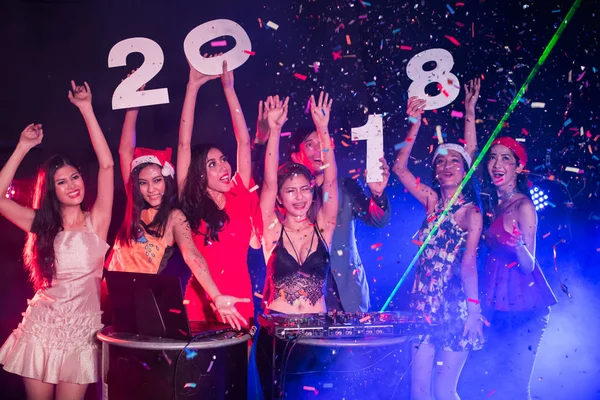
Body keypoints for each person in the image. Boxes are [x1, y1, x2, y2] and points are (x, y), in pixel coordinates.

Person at [0, 81, 113, 400]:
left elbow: (106, 164)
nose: (71, 185)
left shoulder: (97, 221)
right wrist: (22, 147)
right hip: (43, 325)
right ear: (52, 191)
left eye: (74, 177)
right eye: (61, 182)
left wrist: (86, 109)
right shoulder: (41, 224)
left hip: (81, 331)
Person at [106, 87, 249, 329]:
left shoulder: (175, 217)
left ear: (167, 180)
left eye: (157, 180)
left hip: (142, 302)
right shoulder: (135, 204)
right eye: (143, 182)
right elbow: (124, 151)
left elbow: (193, 256)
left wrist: (216, 296)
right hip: (108, 293)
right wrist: (133, 103)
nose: (151, 189)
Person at [392, 79, 484, 400]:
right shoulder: (432, 200)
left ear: (465, 170)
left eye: (454, 162)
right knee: (418, 392)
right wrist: (414, 123)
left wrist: (473, 313)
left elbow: (469, 265)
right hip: (422, 306)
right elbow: (399, 168)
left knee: (445, 392)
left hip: (455, 308)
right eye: (440, 161)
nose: (446, 166)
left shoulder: (471, 213)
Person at [253, 101, 391, 313]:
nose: (318, 150)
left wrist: (378, 194)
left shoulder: (342, 190)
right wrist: (270, 134)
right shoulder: (282, 198)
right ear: (296, 155)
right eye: (310, 144)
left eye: (322, 143)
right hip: (289, 308)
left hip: (346, 296)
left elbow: (378, 219)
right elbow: (267, 185)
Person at [178, 59, 262, 328]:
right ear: (199, 174)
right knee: (198, 371)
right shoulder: (190, 202)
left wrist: (229, 88)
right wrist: (192, 87)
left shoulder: (239, 194)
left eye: (224, 159)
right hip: (201, 302)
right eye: (212, 164)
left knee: (237, 370)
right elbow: (183, 143)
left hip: (239, 298)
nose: (224, 167)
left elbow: (244, 141)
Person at [480, 135, 558, 400]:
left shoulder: (524, 205)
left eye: (505, 158)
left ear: (518, 167)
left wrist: (518, 245)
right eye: (492, 157)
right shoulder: (497, 203)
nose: (496, 163)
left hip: (527, 308)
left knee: (515, 387)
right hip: (501, 305)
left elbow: (528, 265)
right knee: (498, 382)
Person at [260, 93, 338, 314]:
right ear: (279, 197)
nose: (300, 197)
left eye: (305, 189)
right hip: (278, 331)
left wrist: (323, 129)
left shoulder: (324, 227)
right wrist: (274, 131)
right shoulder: (272, 229)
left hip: (317, 333)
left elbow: (330, 180)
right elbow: (269, 183)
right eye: (291, 191)